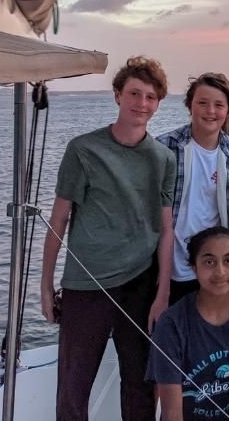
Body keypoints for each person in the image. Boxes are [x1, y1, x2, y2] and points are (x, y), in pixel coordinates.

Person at [40, 56, 176, 421]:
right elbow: (58, 220)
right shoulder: (83, 149)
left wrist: (162, 292)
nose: (142, 103)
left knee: (140, 384)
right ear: (117, 95)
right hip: (86, 284)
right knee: (73, 385)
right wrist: (45, 286)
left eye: (150, 97)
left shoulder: (164, 159)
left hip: (141, 284)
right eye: (134, 93)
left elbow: (166, 229)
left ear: (158, 103)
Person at [147, 227, 229, 421]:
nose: (220, 271)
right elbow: (171, 411)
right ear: (194, 267)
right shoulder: (171, 324)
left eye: (228, 260)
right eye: (209, 261)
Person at [157, 73, 229, 304]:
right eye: (202, 103)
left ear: (228, 110)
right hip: (165, 264)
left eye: (219, 105)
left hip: (212, 268)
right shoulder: (164, 148)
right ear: (190, 105)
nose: (210, 111)